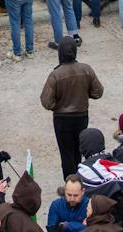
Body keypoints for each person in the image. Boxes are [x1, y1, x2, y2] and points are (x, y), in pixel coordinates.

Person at [40, 36, 103, 180]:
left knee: (66, 153)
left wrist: (58, 105)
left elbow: (46, 101)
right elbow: (98, 92)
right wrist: (85, 95)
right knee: (78, 150)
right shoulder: (86, 69)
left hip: (62, 119)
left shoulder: (55, 75)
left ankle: (70, 183)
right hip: (81, 116)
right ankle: (80, 178)